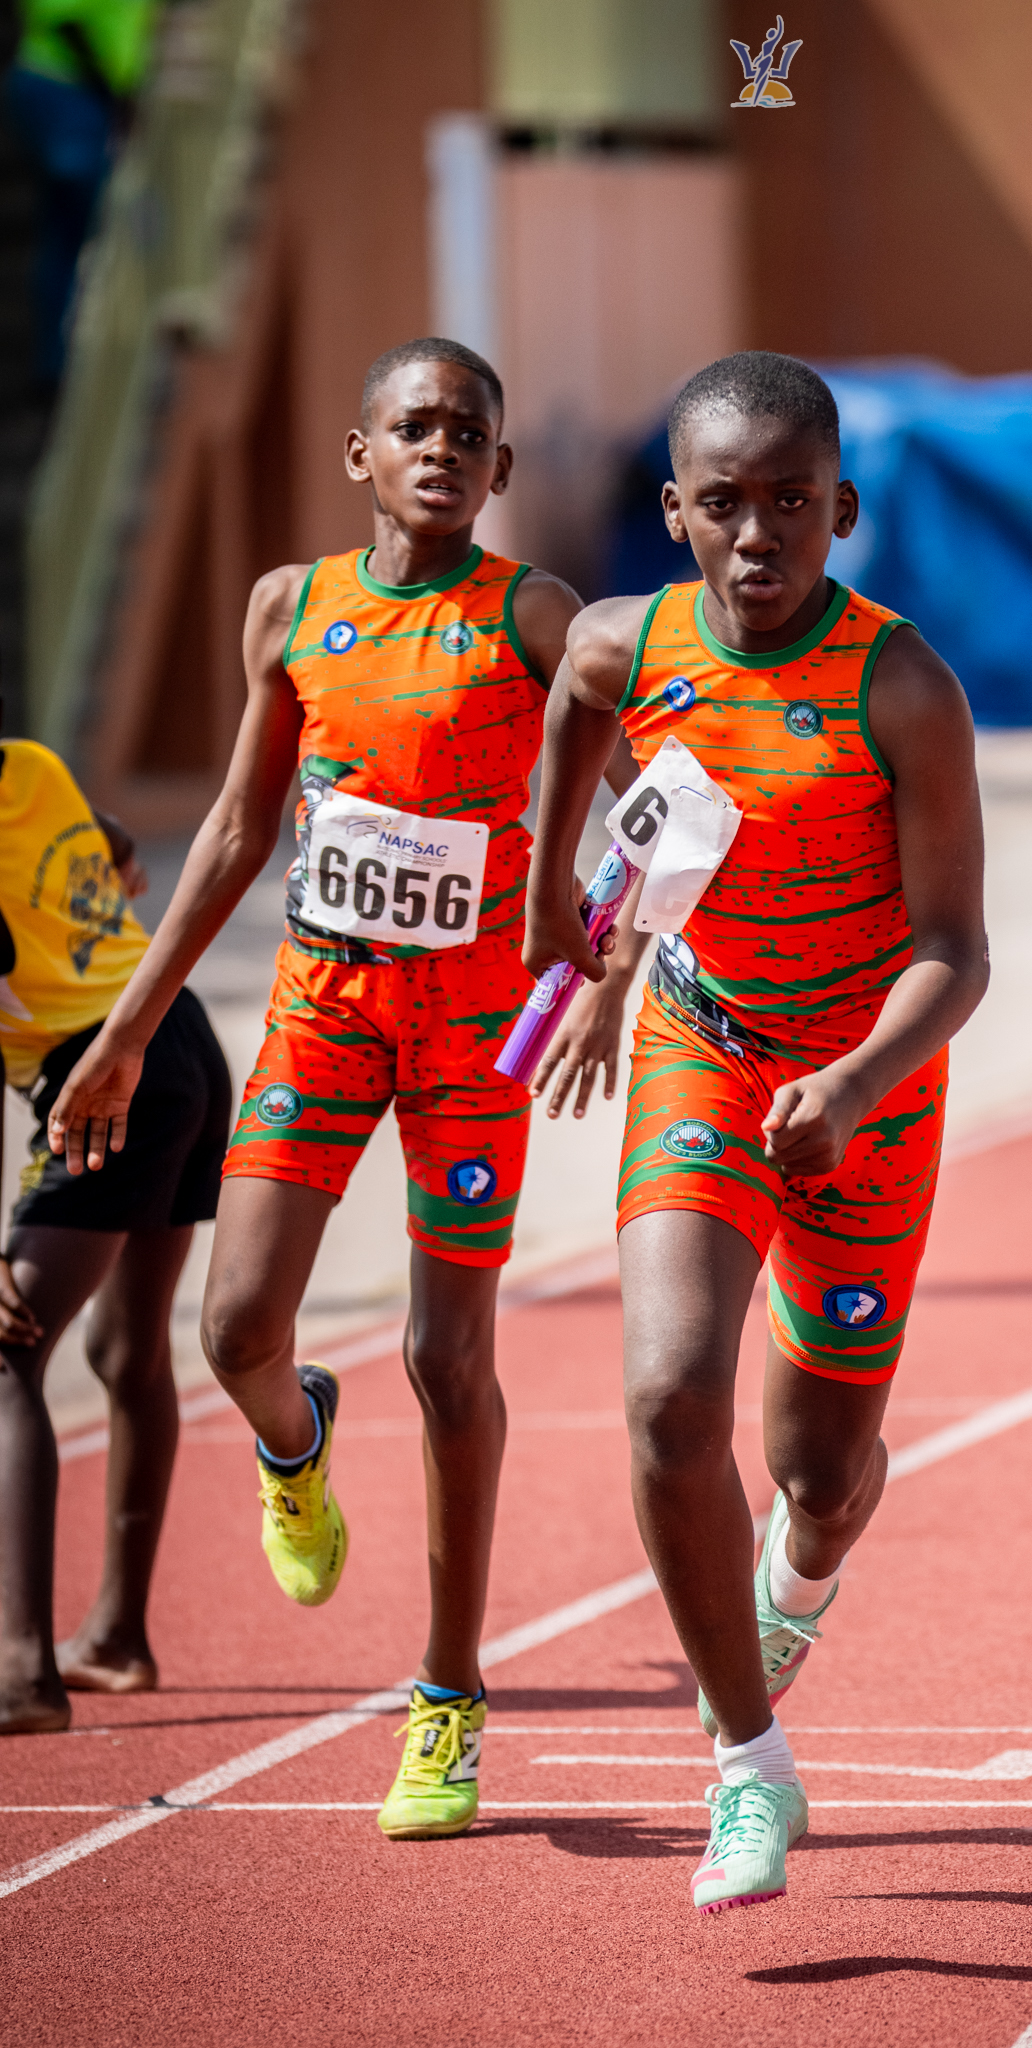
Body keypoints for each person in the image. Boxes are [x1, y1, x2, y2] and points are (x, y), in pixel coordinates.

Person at [48, 337, 627, 1836]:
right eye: (413, 426)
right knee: (234, 1326)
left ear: (500, 470)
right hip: (323, 1007)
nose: (441, 450)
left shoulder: (533, 615)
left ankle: (446, 1698)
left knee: (447, 1358)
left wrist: (605, 971)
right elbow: (238, 830)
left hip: (472, 1035)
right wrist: (127, 1027)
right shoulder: (290, 609)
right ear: (360, 451)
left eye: (468, 434)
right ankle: (292, 1437)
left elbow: (645, 804)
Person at [524, 351, 989, 1914]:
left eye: (789, 502)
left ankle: (800, 1570)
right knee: (668, 1399)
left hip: (866, 1095)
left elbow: (955, 953)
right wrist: (567, 926)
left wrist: (852, 1083)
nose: (754, 534)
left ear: (839, 510)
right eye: (721, 503)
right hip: (703, 1053)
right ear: (672, 511)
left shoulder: (899, 687)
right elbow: (576, 718)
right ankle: (749, 1766)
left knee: (819, 1468)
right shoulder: (623, 641)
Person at [1, 734, 229, 1732]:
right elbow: (121, 846)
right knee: (129, 1349)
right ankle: (117, 1638)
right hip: (180, 1040)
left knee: (7, 1357)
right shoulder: (31, 765)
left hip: (104, 1077)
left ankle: (21, 1670)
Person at [4, 0, 159, 390]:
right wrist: (113, 93)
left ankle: (60, 362)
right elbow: (64, 21)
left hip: (80, 94)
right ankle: (101, 357)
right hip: (66, 90)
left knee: (68, 232)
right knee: (122, 220)